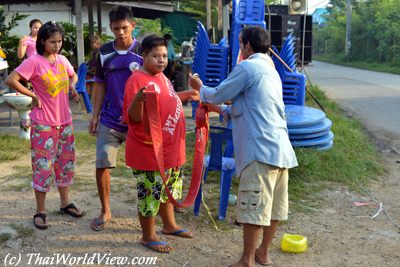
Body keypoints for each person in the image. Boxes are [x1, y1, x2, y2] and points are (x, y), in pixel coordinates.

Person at [189, 26, 298, 267]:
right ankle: (263, 253)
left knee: (253, 207)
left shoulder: (248, 67)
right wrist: (222, 110)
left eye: (241, 43)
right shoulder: (271, 70)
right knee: (274, 208)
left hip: (259, 150)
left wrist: (198, 87)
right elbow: (251, 107)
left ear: (248, 46)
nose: (240, 48)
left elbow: (216, 94)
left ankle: (247, 259)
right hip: (279, 148)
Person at [123, 34, 199, 253]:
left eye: (164, 56)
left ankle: (169, 225)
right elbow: (133, 117)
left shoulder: (162, 77)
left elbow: (170, 98)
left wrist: (187, 94)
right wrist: (138, 100)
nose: (161, 60)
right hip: (149, 152)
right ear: (144, 56)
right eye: (156, 56)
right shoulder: (136, 80)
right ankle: (148, 235)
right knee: (150, 194)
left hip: (171, 150)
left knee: (169, 190)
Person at [6, 21, 84, 230]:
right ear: (42, 41)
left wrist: (73, 86)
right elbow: (12, 80)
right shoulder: (34, 61)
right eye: (52, 42)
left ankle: (65, 203)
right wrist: (32, 95)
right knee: (42, 168)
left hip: (65, 122)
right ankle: (40, 211)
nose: (57, 45)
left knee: (65, 164)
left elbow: (72, 75)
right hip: (43, 125)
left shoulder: (63, 60)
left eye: (59, 41)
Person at [88, 5, 143, 231]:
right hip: (110, 120)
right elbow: (99, 84)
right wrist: (95, 114)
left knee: (145, 169)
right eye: (115, 28)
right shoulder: (103, 52)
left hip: (138, 122)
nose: (120, 32)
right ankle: (105, 210)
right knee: (102, 164)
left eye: (123, 27)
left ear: (132, 26)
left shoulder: (144, 50)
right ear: (110, 28)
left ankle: (150, 210)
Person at [85, 35, 102, 100]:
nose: (90, 44)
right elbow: (89, 63)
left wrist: (90, 70)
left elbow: (99, 66)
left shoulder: (100, 52)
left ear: (98, 43)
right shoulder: (92, 53)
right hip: (90, 73)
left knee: (93, 94)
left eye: (92, 43)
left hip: (96, 74)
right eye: (91, 43)